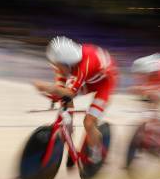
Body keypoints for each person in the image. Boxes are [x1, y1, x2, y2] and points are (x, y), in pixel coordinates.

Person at [33, 36, 117, 164]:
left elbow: (70, 93)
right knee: (64, 102)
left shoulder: (85, 65)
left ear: (69, 64)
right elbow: (60, 85)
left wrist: (49, 89)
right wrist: (54, 92)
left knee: (89, 123)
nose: (56, 68)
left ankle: (97, 151)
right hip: (89, 79)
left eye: (59, 66)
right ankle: (69, 134)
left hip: (104, 84)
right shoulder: (63, 60)